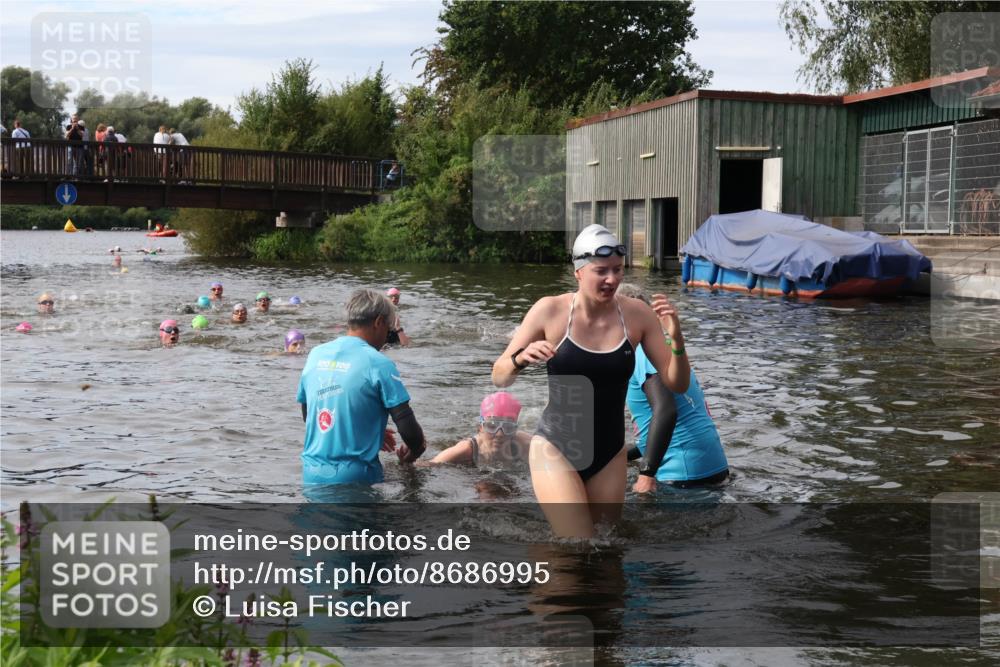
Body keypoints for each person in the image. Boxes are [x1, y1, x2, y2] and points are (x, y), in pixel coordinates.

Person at [492, 224, 690, 538]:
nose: (612, 279)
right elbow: (499, 376)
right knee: (577, 543)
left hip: (609, 454)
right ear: (579, 273)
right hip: (556, 446)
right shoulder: (550, 310)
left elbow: (676, 384)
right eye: (601, 271)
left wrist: (677, 341)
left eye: (617, 270)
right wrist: (520, 358)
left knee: (606, 552)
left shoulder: (638, 315)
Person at [297, 288, 426, 486]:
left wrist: (364, 429)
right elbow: (408, 429)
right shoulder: (379, 363)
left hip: (311, 475)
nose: (387, 335)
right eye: (388, 328)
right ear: (378, 323)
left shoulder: (316, 354)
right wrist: (415, 451)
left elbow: (311, 416)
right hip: (357, 479)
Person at [616, 284, 729, 492]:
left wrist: (646, 474)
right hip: (710, 467)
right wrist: (620, 456)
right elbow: (662, 429)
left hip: (684, 475)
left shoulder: (642, 354)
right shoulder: (663, 351)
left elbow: (666, 411)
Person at [431, 392, 531, 467]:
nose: (500, 434)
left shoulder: (524, 443)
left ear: (514, 430)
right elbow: (429, 465)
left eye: (508, 427)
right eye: (491, 426)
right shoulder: (466, 449)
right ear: (480, 427)